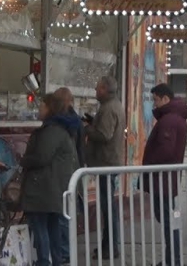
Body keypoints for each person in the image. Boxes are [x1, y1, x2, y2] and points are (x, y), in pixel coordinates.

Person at [20, 92, 79, 266]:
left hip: (43, 189)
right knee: (52, 227)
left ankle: (44, 261)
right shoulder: (61, 130)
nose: (39, 109)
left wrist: (23, 160)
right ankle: (56, 260)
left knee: (40, 228)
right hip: (52, 189)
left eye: (42, 106)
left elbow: (41, 157)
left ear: (50, 109)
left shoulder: (51, 131)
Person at [142, 83, 187, 266]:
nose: (154, 104)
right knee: (169, 220)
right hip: (166, 179)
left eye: (155, 99)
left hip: (162, 179)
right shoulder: (174, 118)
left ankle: (173, 260)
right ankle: (172, 259)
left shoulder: (169, 120)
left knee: (168, 221)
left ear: (165, 99)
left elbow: (166, 150)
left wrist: (149, 165)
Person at [84, 77, 126, 260]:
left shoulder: (109, 108)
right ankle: (108, 245)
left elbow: (104, 134)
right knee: (109, 206)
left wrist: (87, 129)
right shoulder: (114, 105)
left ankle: (110, 246)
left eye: (98, 87)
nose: (95, 89)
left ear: (104, 90)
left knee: (108, 207)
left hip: (106, 162)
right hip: (109, 161)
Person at [53, 87, 85, 264]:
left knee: (62, 212)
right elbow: (81, 147)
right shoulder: (76, 121)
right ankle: (66, 249)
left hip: (64, 170)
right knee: (66, 211)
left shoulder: (60, 123)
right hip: (74, 168)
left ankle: (64, 250)